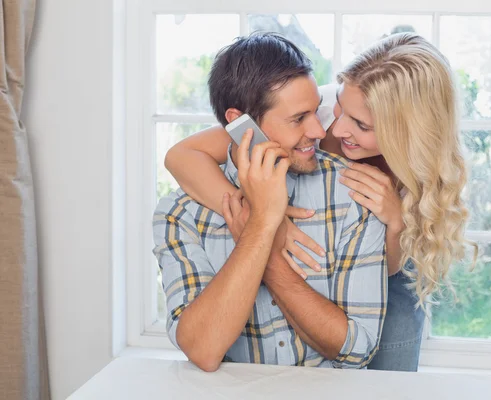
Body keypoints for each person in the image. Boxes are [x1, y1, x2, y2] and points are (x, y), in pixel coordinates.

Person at [164, 32, 474, 371]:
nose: (335, 129)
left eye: (361, 125)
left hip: (387, 263)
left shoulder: (423, 170)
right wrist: (263, 216)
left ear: (405, 132)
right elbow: (182, 155)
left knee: (390, 361)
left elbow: (379, 272)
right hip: (314, 242)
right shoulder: (317, 111)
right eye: (340, 107)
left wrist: (396, 222)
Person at [153, 32, 388, 372]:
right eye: (297, 119)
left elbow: (358, 350)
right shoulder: (179, 214)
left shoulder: (353, 193)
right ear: (238, 122)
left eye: (316, 113)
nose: (321, 132)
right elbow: (203, 350)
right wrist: (262, 222)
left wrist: (268, 249)